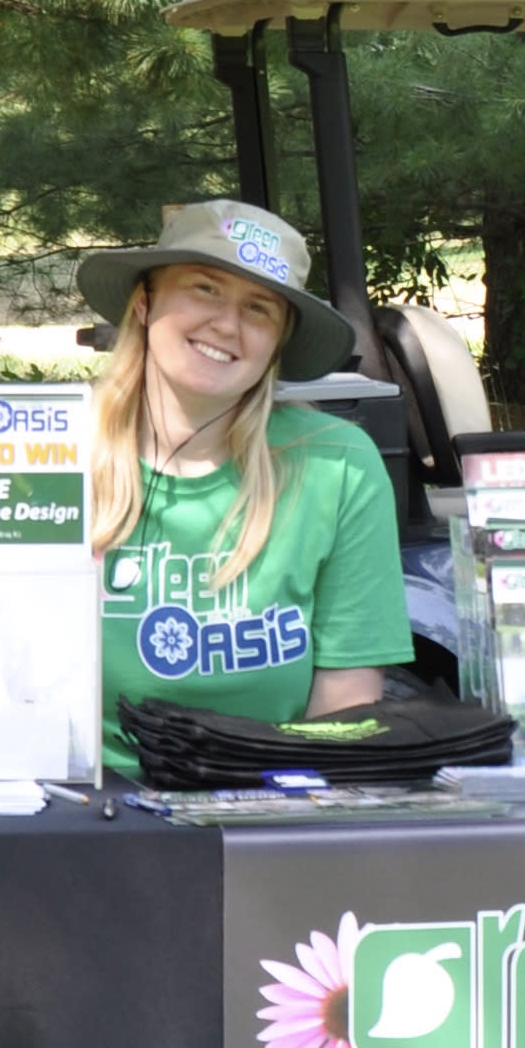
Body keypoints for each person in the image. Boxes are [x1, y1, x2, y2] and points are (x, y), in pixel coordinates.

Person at [79, 199, 413, 775]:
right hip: (76, 802)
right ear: (144, 302)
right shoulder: (48, 454)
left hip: (270, 800)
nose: (227, 325)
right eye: (204, 289)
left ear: (278, 341)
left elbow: (346, 705)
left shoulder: (339, 466)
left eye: (259, 308)